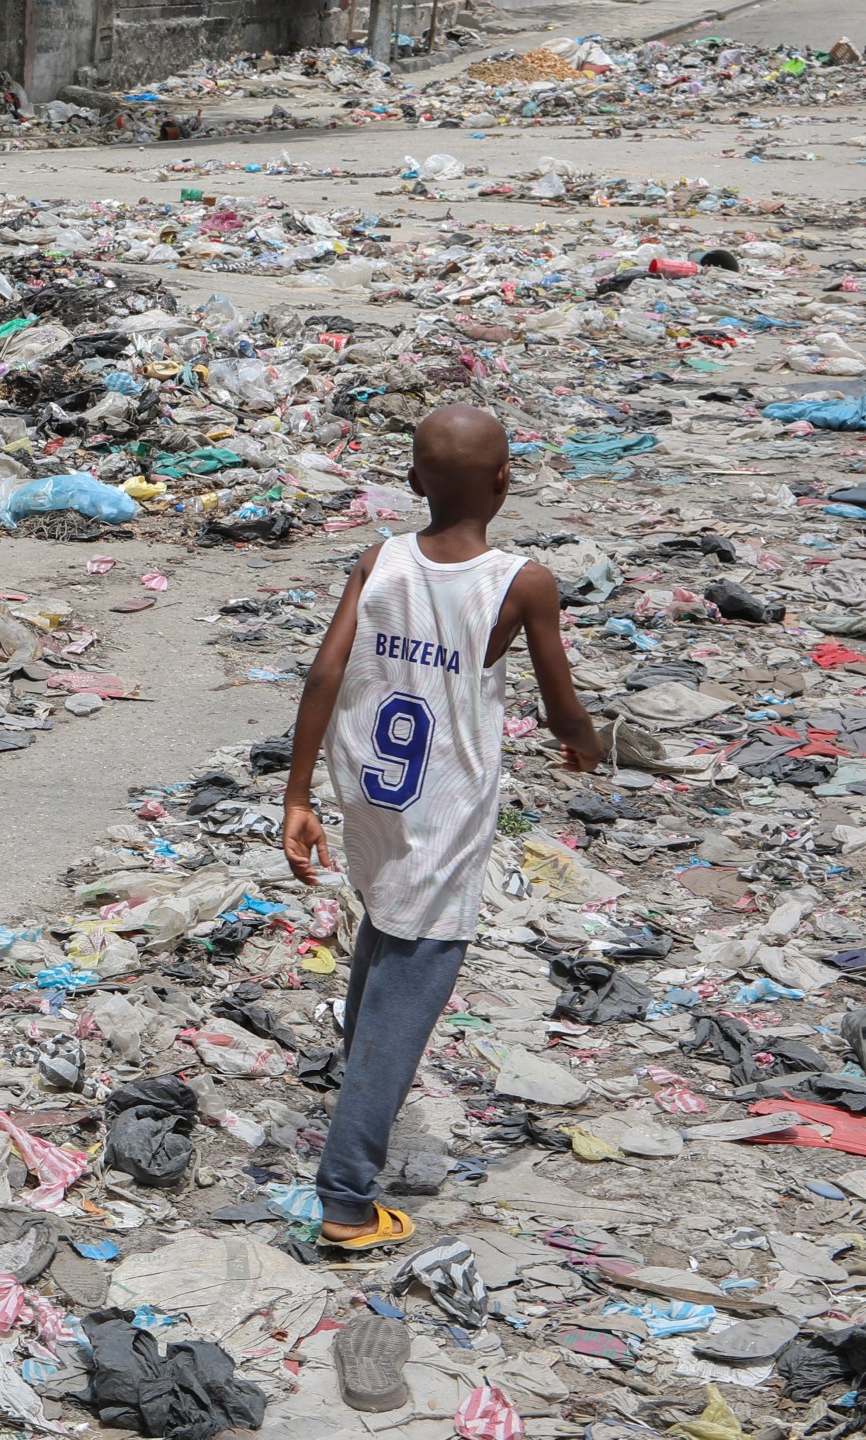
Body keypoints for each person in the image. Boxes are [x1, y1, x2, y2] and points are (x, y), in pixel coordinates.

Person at [280, 404, 603, 1250]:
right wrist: (585, 744)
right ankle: (347, 1199)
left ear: (414, 480)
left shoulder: (378, 560)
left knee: (384, 940)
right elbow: (560, 703)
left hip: (371, 796)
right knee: (410, 990)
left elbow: (324, 673)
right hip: (446, 812)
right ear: (506, 479)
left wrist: (297, 798)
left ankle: (356, 1089)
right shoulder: (521, 580)